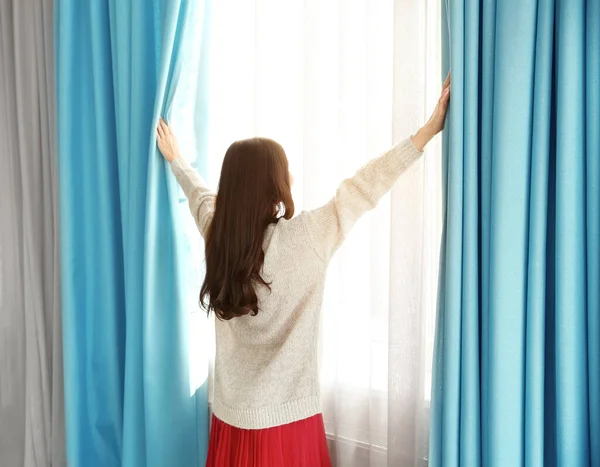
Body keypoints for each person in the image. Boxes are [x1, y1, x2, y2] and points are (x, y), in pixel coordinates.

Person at [156, 75, 450, 467]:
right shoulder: (308, 237)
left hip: (232, 421)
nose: (291, 177)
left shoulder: (217, 236)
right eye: (286, 171)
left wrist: (176, 160)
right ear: (274, 186)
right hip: (289, 423)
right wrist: (425, 133)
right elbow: (364, 187)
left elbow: (200, 197)